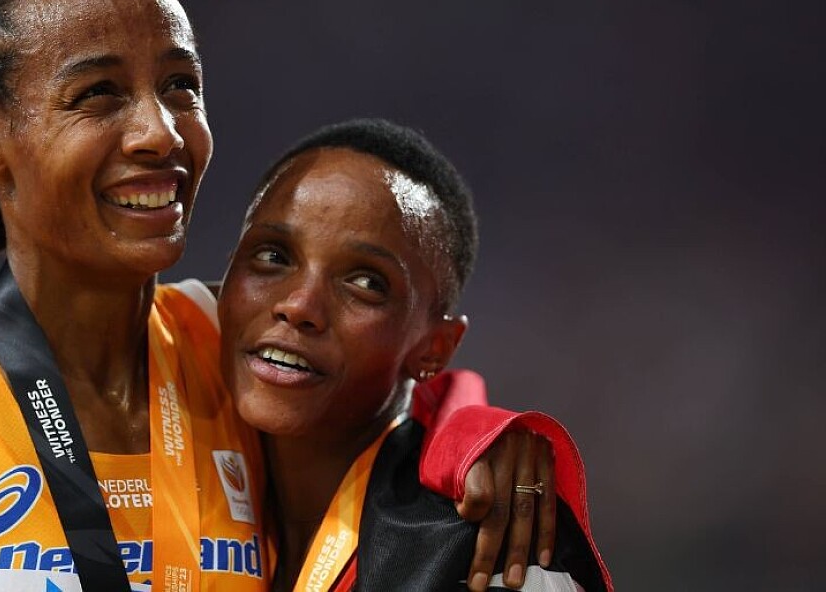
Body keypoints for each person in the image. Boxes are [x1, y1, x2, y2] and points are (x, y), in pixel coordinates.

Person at [0, 0, 556, 590]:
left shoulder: (233, 348)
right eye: (98, 94)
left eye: (179, 86)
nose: (160, 133)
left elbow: (392, 370)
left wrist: (481, 435)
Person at [218, 118, 614, 591]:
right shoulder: (163, 425)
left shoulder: (489, 554)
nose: (299, 306)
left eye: (366, 282)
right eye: (273, 256)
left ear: (435, 348)